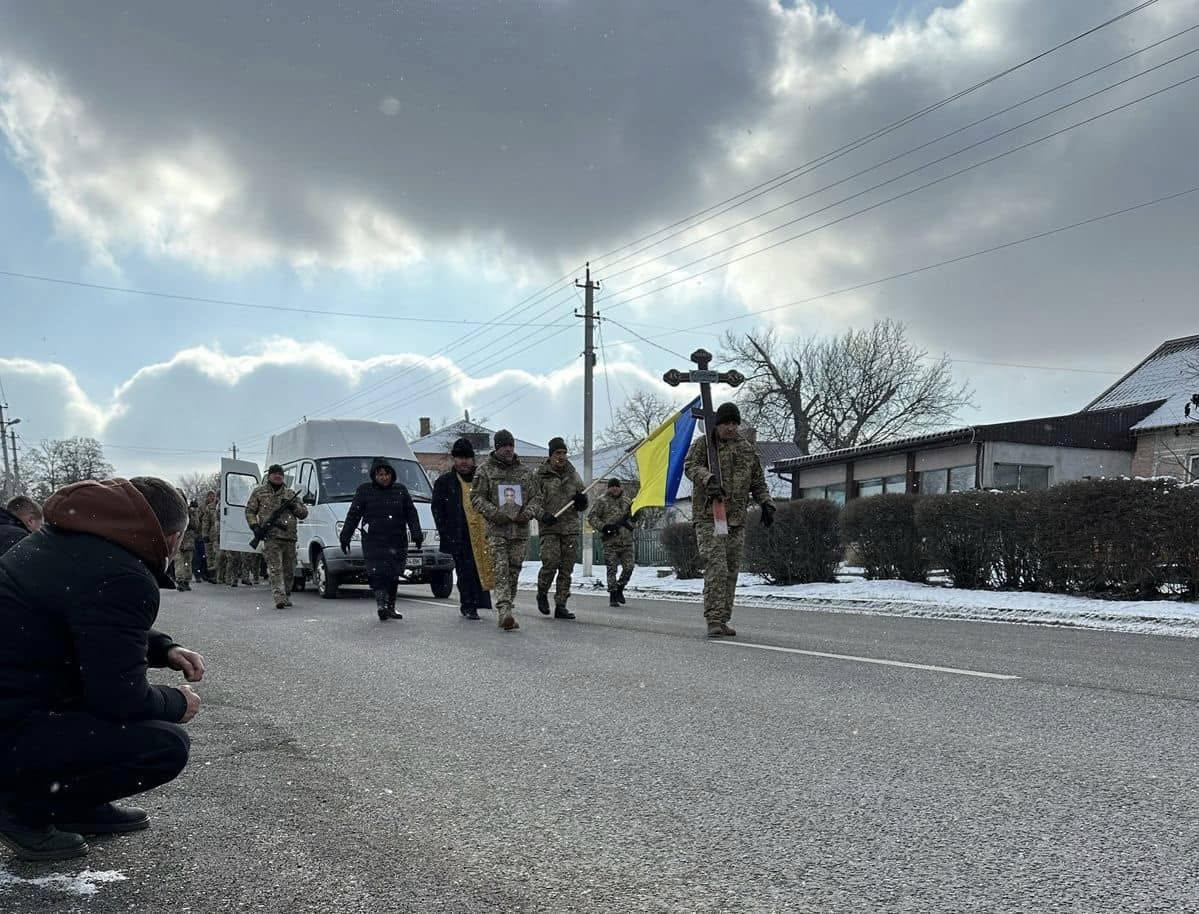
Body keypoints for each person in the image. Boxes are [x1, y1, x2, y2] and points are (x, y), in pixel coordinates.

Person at [0, 477, 204, 862]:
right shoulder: (122, 575)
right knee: (164, 745)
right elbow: (119, 697)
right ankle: (20, 807)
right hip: (13, 725)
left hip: (17, 705)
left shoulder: (66, 541)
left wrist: (164, 648)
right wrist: (177, 701)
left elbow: (88, 624)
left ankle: (70, 805)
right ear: (173, 538)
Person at [684, 403, 775, 639]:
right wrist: (707, 478)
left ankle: (724, 618)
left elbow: (757, 481)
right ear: (718, 423)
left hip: (735, 518)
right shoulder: (704, 444)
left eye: (735, 423)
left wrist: (766, 502)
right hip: (709, 516)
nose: (731, 428)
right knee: (717, 568)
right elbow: (690, 466)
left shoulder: (746, 449)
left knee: (732, 570)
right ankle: (713, 619)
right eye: (726, 423)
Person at [471, 430, 541, 631]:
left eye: (511, 445)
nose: (508, 449)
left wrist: (527, 512)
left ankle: (508, 607)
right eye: (504, 446)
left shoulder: (525, 473)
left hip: (519, 531)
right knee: (501, 569)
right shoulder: (485, 471)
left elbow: (537, 498)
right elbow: (476, 498)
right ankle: (504, 611)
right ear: (497, 447)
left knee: (513, 572)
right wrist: (494, 513)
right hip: (497, 530)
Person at [340, 457, 422, 622]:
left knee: (393, 573)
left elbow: (411, 513)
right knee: (378, 573)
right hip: (374, 541)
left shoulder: (400, 490)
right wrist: (345, 536)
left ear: (392, 474)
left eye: (386, 474)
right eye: (380, 474)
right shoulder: (365, 491)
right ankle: (381, 605)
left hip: (396, 539)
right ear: (374, 475)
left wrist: (416, 533)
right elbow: (353, 515)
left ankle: (390, 606)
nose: (384, 478)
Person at [431, 437, 494, 621]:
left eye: (467, 457)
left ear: (472, 459)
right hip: (459, 535)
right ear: (454, 459)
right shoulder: (445, 482)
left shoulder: (482, 479)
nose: (464, 461)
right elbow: (437, 510)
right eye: (460, 457)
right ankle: (468, 604)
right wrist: (445, 532)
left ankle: (479, 601)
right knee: (465, 571)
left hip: (483, 534)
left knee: (480, 569)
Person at [535, 437, 587, 620]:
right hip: (550, 527)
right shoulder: (540, 476)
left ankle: (561, 604)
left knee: (566, 568)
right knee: (550, 563)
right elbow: (532, 503)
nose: (562, 457)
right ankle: (542, 592)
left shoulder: (573, 474)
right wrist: (543, 515)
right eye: (558, 453)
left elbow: (582, 497)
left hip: (570, 527)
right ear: (550, 455)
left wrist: (582, 502)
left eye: (564, 453)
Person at [245, 465, 308, 610]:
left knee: (289, 570)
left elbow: (304, 513)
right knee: (275, 568)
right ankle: (279, 597)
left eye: (280, 474)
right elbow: (249, 511)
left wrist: (294, 507)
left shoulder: (290, 494)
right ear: (269, 476)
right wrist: (255, 527)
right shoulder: (259, 492)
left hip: (289, 537)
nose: (278, 476)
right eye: (275, 474)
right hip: (271, 537)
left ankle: (285, 594)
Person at [588, 478, 635, 607]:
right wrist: (604, 527)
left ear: (620, 487)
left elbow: (634, 517)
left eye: (617, 486)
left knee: (629, 567)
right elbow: (591, 517)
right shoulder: (601, 501)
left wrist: (636, 515)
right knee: (611, 569)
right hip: (610, 542)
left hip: (626, 542)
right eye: (612, 486)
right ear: (608, 488)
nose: (614, 488)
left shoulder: (627, 501)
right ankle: (613, 595)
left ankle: (620, 587)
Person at [173, 490, 199, 591]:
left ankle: (186, 581)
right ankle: (180, 580)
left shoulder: (189, 511)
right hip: (178, 538)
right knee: (179, 560)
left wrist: (194, 511)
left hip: (187, 539)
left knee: (187, 561)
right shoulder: (174, 510)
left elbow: (195, 525)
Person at [199, 490, 219, 583]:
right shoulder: (209, 508)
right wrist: (205, 534)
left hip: (221, 536)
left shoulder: (224, 506)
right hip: (212, 535)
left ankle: (220, 575)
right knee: (210, 556)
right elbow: (206, 522)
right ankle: (212, 576)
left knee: (218, 555)